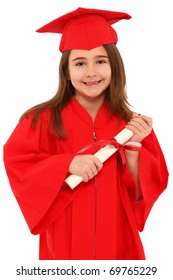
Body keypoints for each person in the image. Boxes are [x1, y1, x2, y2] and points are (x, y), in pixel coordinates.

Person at [3, 7, 168, 260]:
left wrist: (135, 148)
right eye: (80, 63)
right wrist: (67, 164)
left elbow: (140, 193)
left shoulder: (131, 126)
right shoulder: (38, 120)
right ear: (66, 72)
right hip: (64, 242)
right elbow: (19, 164)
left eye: (101, 61)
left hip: (119, 243)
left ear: (114, 66)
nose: (91, 72)